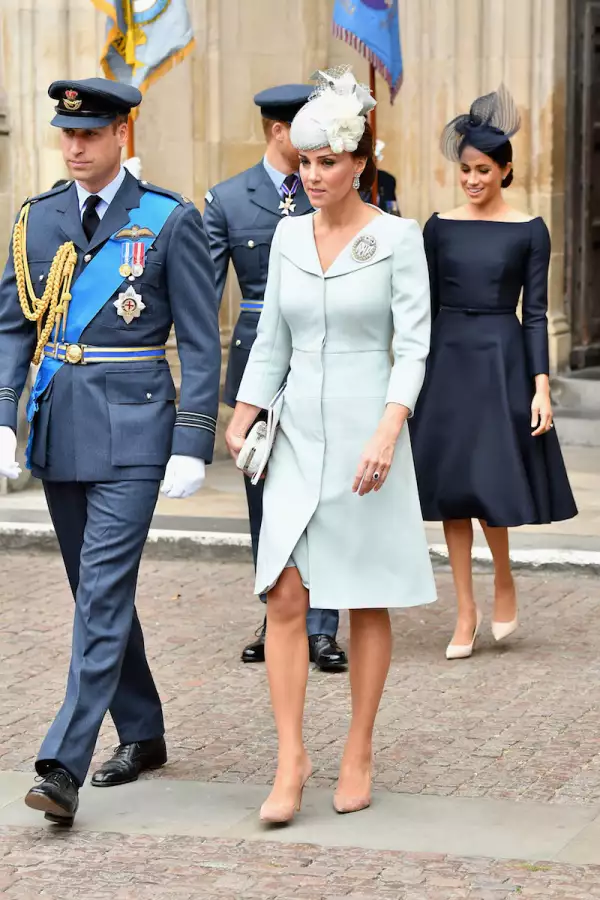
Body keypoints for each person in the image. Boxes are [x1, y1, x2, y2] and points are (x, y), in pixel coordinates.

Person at [0, 78, 221, 824]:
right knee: (95, 591)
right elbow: (11, 329)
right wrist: (3, 419)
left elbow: (196, 337)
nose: (75, 147)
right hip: (61, 423)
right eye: (66, 134)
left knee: (100, 588)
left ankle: (64, 761)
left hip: (135, 428)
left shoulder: (166, 219)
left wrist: (193, 439)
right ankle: (145, 730)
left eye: (90, 134)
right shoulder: (38, 218)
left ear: (121, 132)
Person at [226, 68, 436, 824]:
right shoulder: (286, 235)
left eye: (327, 162)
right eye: (305, 162)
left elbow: (413, 346)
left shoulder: (395, 238)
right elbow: (270, 341)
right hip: (295, 437)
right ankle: (291, 758)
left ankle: (358, 747)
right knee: (284, 593)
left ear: (358, 163)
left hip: (365, 432)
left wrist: (389, 426)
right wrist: (243, 412)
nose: (313, 175)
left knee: (362, 595)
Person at [409, 85, 577, 660]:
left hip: (501, 358)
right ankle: (465, 609)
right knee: (453, 490)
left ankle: (502, 577)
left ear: (505, 170)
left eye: (484, 170)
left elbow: (535, 314)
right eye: (465, 170)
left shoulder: (530, 229)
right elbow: (421, 308)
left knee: (487, 485)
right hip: (446, 361)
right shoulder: (437, 226)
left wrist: (541, 387)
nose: (473, 179)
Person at [204, 84, 347, 672]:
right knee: (265, 495)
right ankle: (278, 612)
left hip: (327, 355)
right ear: (277, 131)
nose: (316, 149)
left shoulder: (339, 192)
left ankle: (323, 624)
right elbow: (203, 296)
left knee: (328, 493)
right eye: (304, 132)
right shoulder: (228, 199)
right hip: (258, 356)